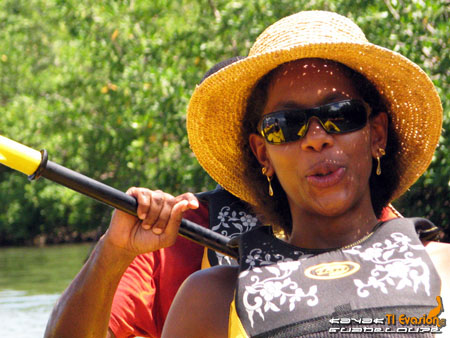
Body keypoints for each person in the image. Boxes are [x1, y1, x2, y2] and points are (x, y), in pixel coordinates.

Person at [44, 11, 447, 338]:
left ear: (377, 133)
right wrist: (112, 251)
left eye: (340, 115)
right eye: (285, 125)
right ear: (261, 153)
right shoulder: (206, 292)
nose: (316, 138)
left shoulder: (437, 266)